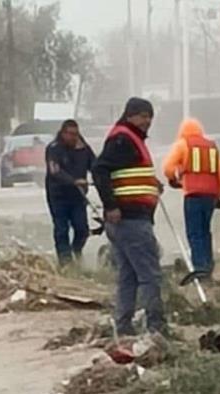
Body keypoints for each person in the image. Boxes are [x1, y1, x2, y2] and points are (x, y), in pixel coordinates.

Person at [93, 97, 167, 336]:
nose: (148, 121)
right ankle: (155, 328)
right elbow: (100, 169)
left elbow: (125, 173)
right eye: (144, 116)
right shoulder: (124, 139)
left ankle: (124, 326)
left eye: (150, 117)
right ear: (130, 115)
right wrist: (110, 205)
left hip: (128, 220)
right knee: (150, 276)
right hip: (130, 219)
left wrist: (151, 183)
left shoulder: (128, 139)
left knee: (129, 276)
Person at [163, 118, 220, 280]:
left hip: (193, 194)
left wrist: (175, 178)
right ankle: (208, 265)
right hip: (210, 196)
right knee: (205, 231)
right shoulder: (212, 146)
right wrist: (219, 195)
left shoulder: (183, 144)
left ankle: (200, 268)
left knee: (195, 232)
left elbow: (168, 167)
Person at [45, 119, 96, 265]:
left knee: (82, 229)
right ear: (63, 133)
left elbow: (95, 165)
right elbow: (55, 171)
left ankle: (76, 250)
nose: (73, 137)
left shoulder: (84, 148)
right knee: (61, 229)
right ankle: (65, 261)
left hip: (77, 196)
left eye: (75, 134)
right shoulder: (54, 149)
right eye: (70, 134)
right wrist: (73, 181)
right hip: (58, 196)